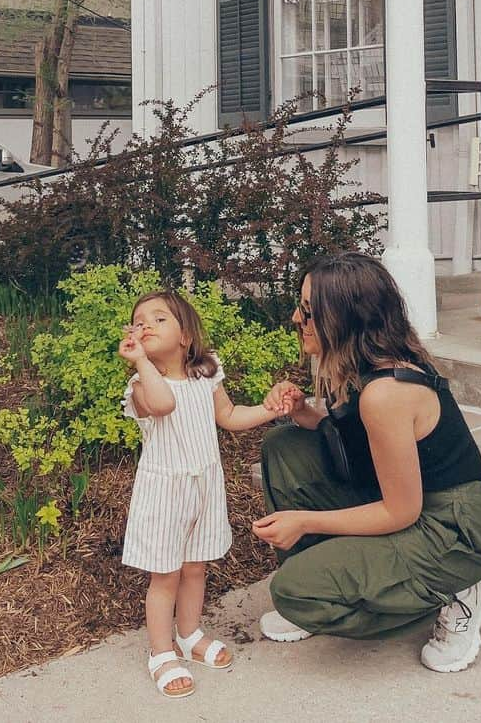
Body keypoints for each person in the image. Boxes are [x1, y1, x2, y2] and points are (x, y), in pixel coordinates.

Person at [252, 251, 481, 673]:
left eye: (309, 311)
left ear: (343, 318)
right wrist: (301, 412)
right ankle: (329, 576)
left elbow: (401, 511)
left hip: (451, 528)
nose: (297, 317)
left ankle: (458, 594)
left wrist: (305, 520)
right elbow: (354, 441)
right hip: (410, 505)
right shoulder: (355, 365)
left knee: (294, 592)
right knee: (285, 444)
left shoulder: (387, 391)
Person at [119, 288, 286, 698]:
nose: (147, 325)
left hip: (204, 487)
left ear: (185, 336)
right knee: (166, 575)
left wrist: (270, 409)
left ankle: (190, 633)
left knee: (196, 567)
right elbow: (163, 405)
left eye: (159, 318)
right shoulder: (142, 386)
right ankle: (161, 652)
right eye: (140, 321)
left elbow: (228, 416)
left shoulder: (206, 375)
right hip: (164, 493)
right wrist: (140, 360)